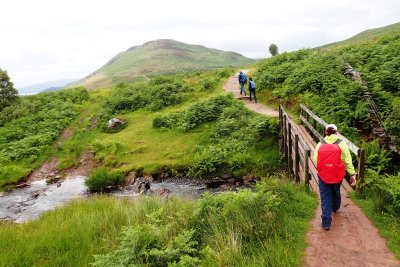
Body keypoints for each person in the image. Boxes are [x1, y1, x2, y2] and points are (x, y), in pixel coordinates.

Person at [313, 124, 357, 231]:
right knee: (336, 190)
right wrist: (352, 174)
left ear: (326, 132)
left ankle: (326, 222)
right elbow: (347, 160)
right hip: (337, 174)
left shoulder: (320, 144)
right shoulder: (342, 144)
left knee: (325, 196)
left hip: (323, 175)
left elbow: (315, 159)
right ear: (336, 133)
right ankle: (336, 207)